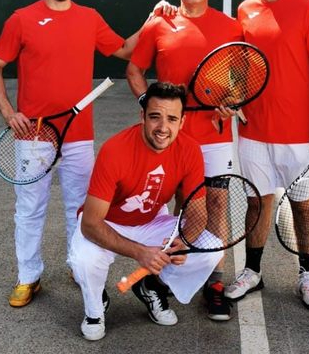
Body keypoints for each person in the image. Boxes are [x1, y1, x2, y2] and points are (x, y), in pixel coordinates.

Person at [0, 0, 139, 308]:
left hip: (79, 135)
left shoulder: (89, 18)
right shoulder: (22, 18)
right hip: (32, 134)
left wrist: (158, 18)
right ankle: (28, 277)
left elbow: (125, 50)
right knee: (29, 208)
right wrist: (9, 114)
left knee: (80, 208)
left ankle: (76, 265)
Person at [126, 0, 241, 321]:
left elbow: (240, 80)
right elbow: (134, 70)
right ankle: (163, 276)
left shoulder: (230, 26)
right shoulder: (159, 23)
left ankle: (216, 283)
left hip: (215, 134)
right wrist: (151, 107)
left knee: (218, 204)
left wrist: (232, 100)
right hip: (172, 138)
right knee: (186, 209)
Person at [224, 0, 309, 309]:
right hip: (254, 131)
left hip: (299, 134)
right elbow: (242, 69)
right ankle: (253, 272)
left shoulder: (308, 6)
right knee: (258, 202)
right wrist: (233, 96)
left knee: (302, 204)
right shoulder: (245, 11)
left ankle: (307, 273)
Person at [70, 81, 222, 341]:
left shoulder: (190, 150)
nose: (163, 128)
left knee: (211, 249)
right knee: (85, 260)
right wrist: (141, 253)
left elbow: (197, 213)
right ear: (142, 116)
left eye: (172, 119)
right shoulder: (115, 150)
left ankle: (152, 286)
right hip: (108, 223)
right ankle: (94, 310)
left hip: (152, 221)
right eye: (155, 117)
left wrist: (183, 243)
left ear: (182, 122)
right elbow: (90, 224)